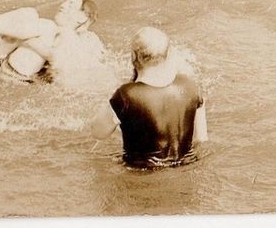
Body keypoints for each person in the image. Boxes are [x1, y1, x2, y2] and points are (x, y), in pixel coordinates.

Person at [88, 27, 207, 169]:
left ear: (133, 56)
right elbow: (201, 139)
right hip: (184, 169)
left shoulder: (126, 95)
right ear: (168, 54)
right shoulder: (190, 85)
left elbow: (98, 133)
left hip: (141, 177)